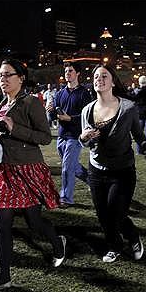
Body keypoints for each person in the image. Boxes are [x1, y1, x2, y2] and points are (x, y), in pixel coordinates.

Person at [0, 59, 66, 292]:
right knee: (2, 223)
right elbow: (3, 129)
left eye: (8, 75)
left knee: (34, 222)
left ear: (21, 77)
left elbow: (45, 137)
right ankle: (3, 276)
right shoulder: (1, 103)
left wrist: (14, 128)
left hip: (27, 169)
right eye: (0, 76)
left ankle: (57, 242)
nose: (3, 80)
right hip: (4, 170)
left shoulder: (31, 102)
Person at [80, 64, 146, 263]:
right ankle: (114, 245)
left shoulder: (127, 108)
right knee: (103, 215)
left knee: (117, 212)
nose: (99, 79)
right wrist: (84, 137)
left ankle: (132, 237)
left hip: (122, 170)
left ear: (113, 81)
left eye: (104, 76)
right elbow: (85, 141)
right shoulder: (87, 110)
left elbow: (139, 136)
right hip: (96, 170)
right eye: (96, 76)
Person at [47, 62, 93, 208]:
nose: (67, 73)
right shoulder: (60, 93)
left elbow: (87, 116)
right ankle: (92, 180)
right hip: (61, 135)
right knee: (73, 166)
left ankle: (66, 198)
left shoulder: (84, 93)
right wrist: (50, 111)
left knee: (67, 167)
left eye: (70, 71)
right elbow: (54, 116)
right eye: (66, 71)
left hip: (75, 136)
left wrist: (70, 119)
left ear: (77, 73)